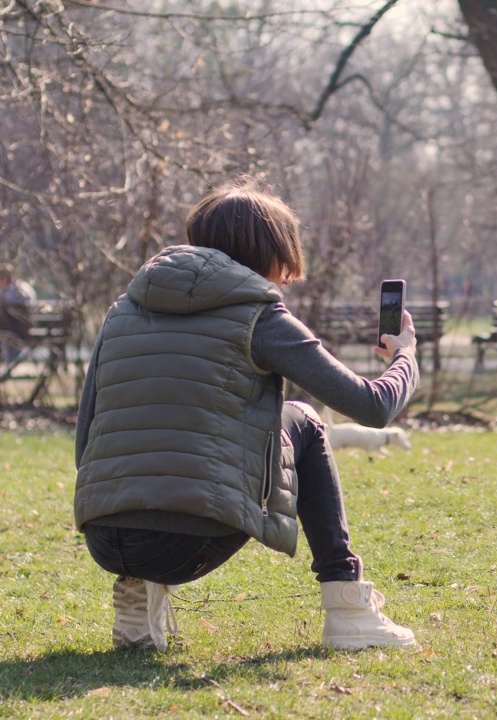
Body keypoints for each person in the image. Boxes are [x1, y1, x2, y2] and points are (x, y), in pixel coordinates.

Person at [74, 177, 420, 652]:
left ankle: (137, 592)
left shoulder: (122, 312)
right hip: (189, 543)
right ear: (270, 256)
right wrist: (406, 356)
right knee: (304, 418)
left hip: (106, 538)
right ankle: (349, 608)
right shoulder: (260, 317)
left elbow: (85, 436)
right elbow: (373, 406)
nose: (285, 280)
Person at [0, 264, 37, 364]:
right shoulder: (8, 290)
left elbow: (21, 308)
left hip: (19, 325)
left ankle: (13, 355)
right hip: (11, 325)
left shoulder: (18, 290)